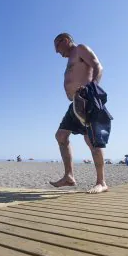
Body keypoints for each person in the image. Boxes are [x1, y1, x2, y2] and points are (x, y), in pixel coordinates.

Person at [49, 33, 108, 194]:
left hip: (86, 99)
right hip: (75, 103)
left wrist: (91, 90)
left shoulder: (80, 49)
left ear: (66, 40)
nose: (57, 52)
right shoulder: (70, 59)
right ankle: (69, 176)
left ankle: (101, 182)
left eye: (57, 46)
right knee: (61, 136)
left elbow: (98, 66)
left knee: (91, 139)